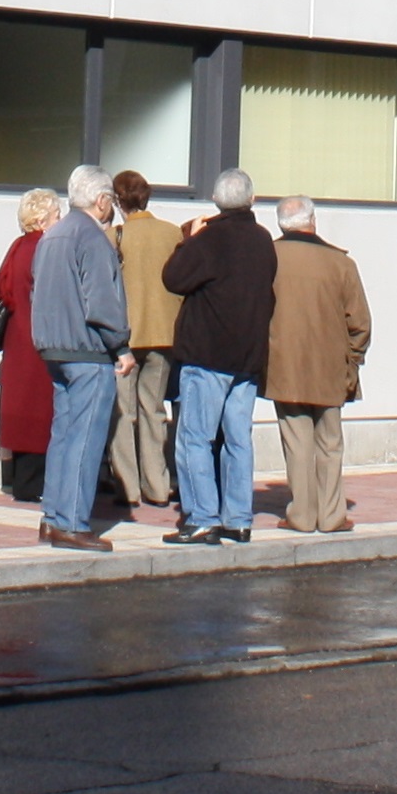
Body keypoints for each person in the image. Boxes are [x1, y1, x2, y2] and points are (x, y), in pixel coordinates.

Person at [156, 170, 277, 545]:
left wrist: (188, 241)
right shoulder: (263, 240)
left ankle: (202, 517)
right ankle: (238, 518)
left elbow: (173, 278)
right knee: (238, 440)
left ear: (215, 200)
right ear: (252, 200)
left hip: (207, 355)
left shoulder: (209, 239)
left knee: (195, 438)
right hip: (247, 357)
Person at [30, 169, 128, 551]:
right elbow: (101, 300)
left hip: (54, 348)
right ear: (102, 201)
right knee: (85, 437)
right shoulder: (92, 238)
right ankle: (71, 522)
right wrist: (121, 345)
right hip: (87, 350)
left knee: (63, 435)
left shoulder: (51, 236)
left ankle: (53, 517)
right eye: (110, 200)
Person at [265, 195, 372, 533]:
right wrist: (353, 360)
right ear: (313, 221)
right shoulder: (340, 263)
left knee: (297, 443)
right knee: (330, 443)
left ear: (281, 223)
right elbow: (360, 323)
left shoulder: (268, 258)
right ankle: (331, 515)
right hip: (331, 367)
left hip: (283, 365)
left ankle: (301, 514)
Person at [110, 169, 185, 512]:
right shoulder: (172, 233)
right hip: (164, 334)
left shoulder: (115, 235)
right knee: (154, 410)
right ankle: (157, 484)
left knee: (123, 413)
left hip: (126, 336)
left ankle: (127, 487)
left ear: (118, 201)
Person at [0, 188, 61, 503]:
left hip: (17, 338)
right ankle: (34, 485)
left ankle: (20, 479)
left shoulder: (17, 247)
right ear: (43, 219)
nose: (61, 221)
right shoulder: (44, 249)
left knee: (21, 407)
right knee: (40, 408)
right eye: (57, 215)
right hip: (39, 339)